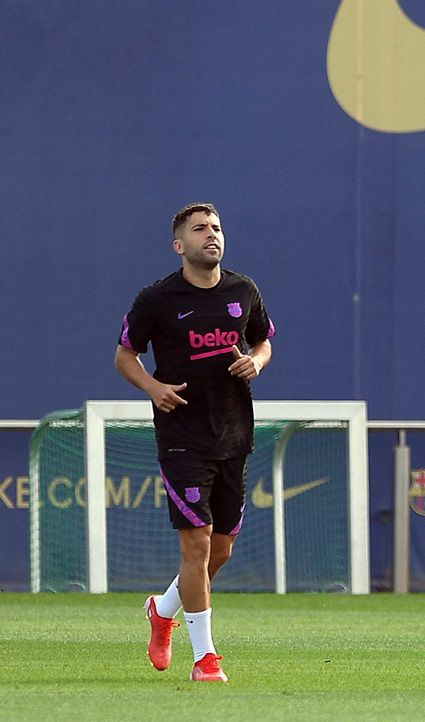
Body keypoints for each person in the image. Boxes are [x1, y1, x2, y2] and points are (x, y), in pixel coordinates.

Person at [116, 203, 275, 683]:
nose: (212, 235)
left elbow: (264, 341)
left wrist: (257, 362)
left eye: (218, 228)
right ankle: (205, 658)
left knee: (220, 551)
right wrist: (152, 386)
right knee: (197, 545)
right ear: (179, 244)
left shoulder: (243, 290)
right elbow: (126, 355)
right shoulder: (158, 298)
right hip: (183, 439)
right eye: (201, 229)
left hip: (234, 435)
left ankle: (162, 610)